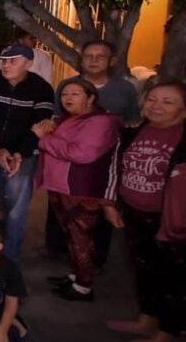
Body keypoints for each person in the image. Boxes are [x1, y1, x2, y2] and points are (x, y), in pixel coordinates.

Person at [103, 81, 186, 342]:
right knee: (144, 269)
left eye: (167, 101)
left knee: (173, 279)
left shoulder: (182, 138)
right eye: (152, 99)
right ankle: (146, 319)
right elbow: (117, 167)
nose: (157, 106)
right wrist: (112, 202)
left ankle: (166, 335)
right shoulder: (135, 131)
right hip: (134, 212)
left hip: (172, 221)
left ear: (183, 109)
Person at [45, 39, 142, 259]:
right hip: (66, 162)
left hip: (102, 166)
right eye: (88, 56)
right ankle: (64, 257)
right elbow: (57, 119)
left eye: (100, 56)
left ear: (112, 60)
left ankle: (92, 264)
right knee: (60, 213)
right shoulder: (67, 85)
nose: (94, 60)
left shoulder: (125, 88)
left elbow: (132, 121)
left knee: (95, 217)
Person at [33, 78, 119, 301]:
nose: (68, 98)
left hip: (82, 189)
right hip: (61, 187)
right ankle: (76, 275)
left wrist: (45, 140)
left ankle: (84, 286)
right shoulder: (70, 119)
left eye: (75, 93)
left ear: (90, 98)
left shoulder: (101, 121)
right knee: (71, 236)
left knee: (82, 238)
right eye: (64, 94)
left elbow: (83, 153)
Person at [0, 44, 55, 260]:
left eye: (13, 61)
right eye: (4, 60)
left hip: (24, 155)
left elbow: (39, 127)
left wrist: (20, 153)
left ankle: (9, 258)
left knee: (17, 207)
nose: (6, 65)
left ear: (29, 63)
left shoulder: (42, 89)